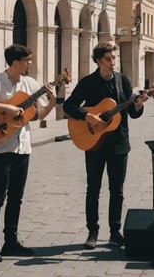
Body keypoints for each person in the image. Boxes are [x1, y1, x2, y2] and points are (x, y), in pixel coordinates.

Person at [0, 44, 56, 262]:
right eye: (27, 60)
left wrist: (53, 101)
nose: (30, 63)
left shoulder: (30, 84)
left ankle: (11, 242)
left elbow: (36, 115)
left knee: (16, 198)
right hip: (1, 147)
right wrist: (9, 109)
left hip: (23, 147)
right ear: (16, 62)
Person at [63, 42, 149, 250]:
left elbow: (132, 113)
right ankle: (92, 232)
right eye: (109, 59)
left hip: (119, 144)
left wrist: (138, 105)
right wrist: (87, 115)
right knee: (93, 189)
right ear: (99, 60)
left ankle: (115, 232)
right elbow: (69, 106)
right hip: (93, 144)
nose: (113, 62)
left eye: (114, 58)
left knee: (116, 190)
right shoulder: (88, 82)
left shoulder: (123, 81)